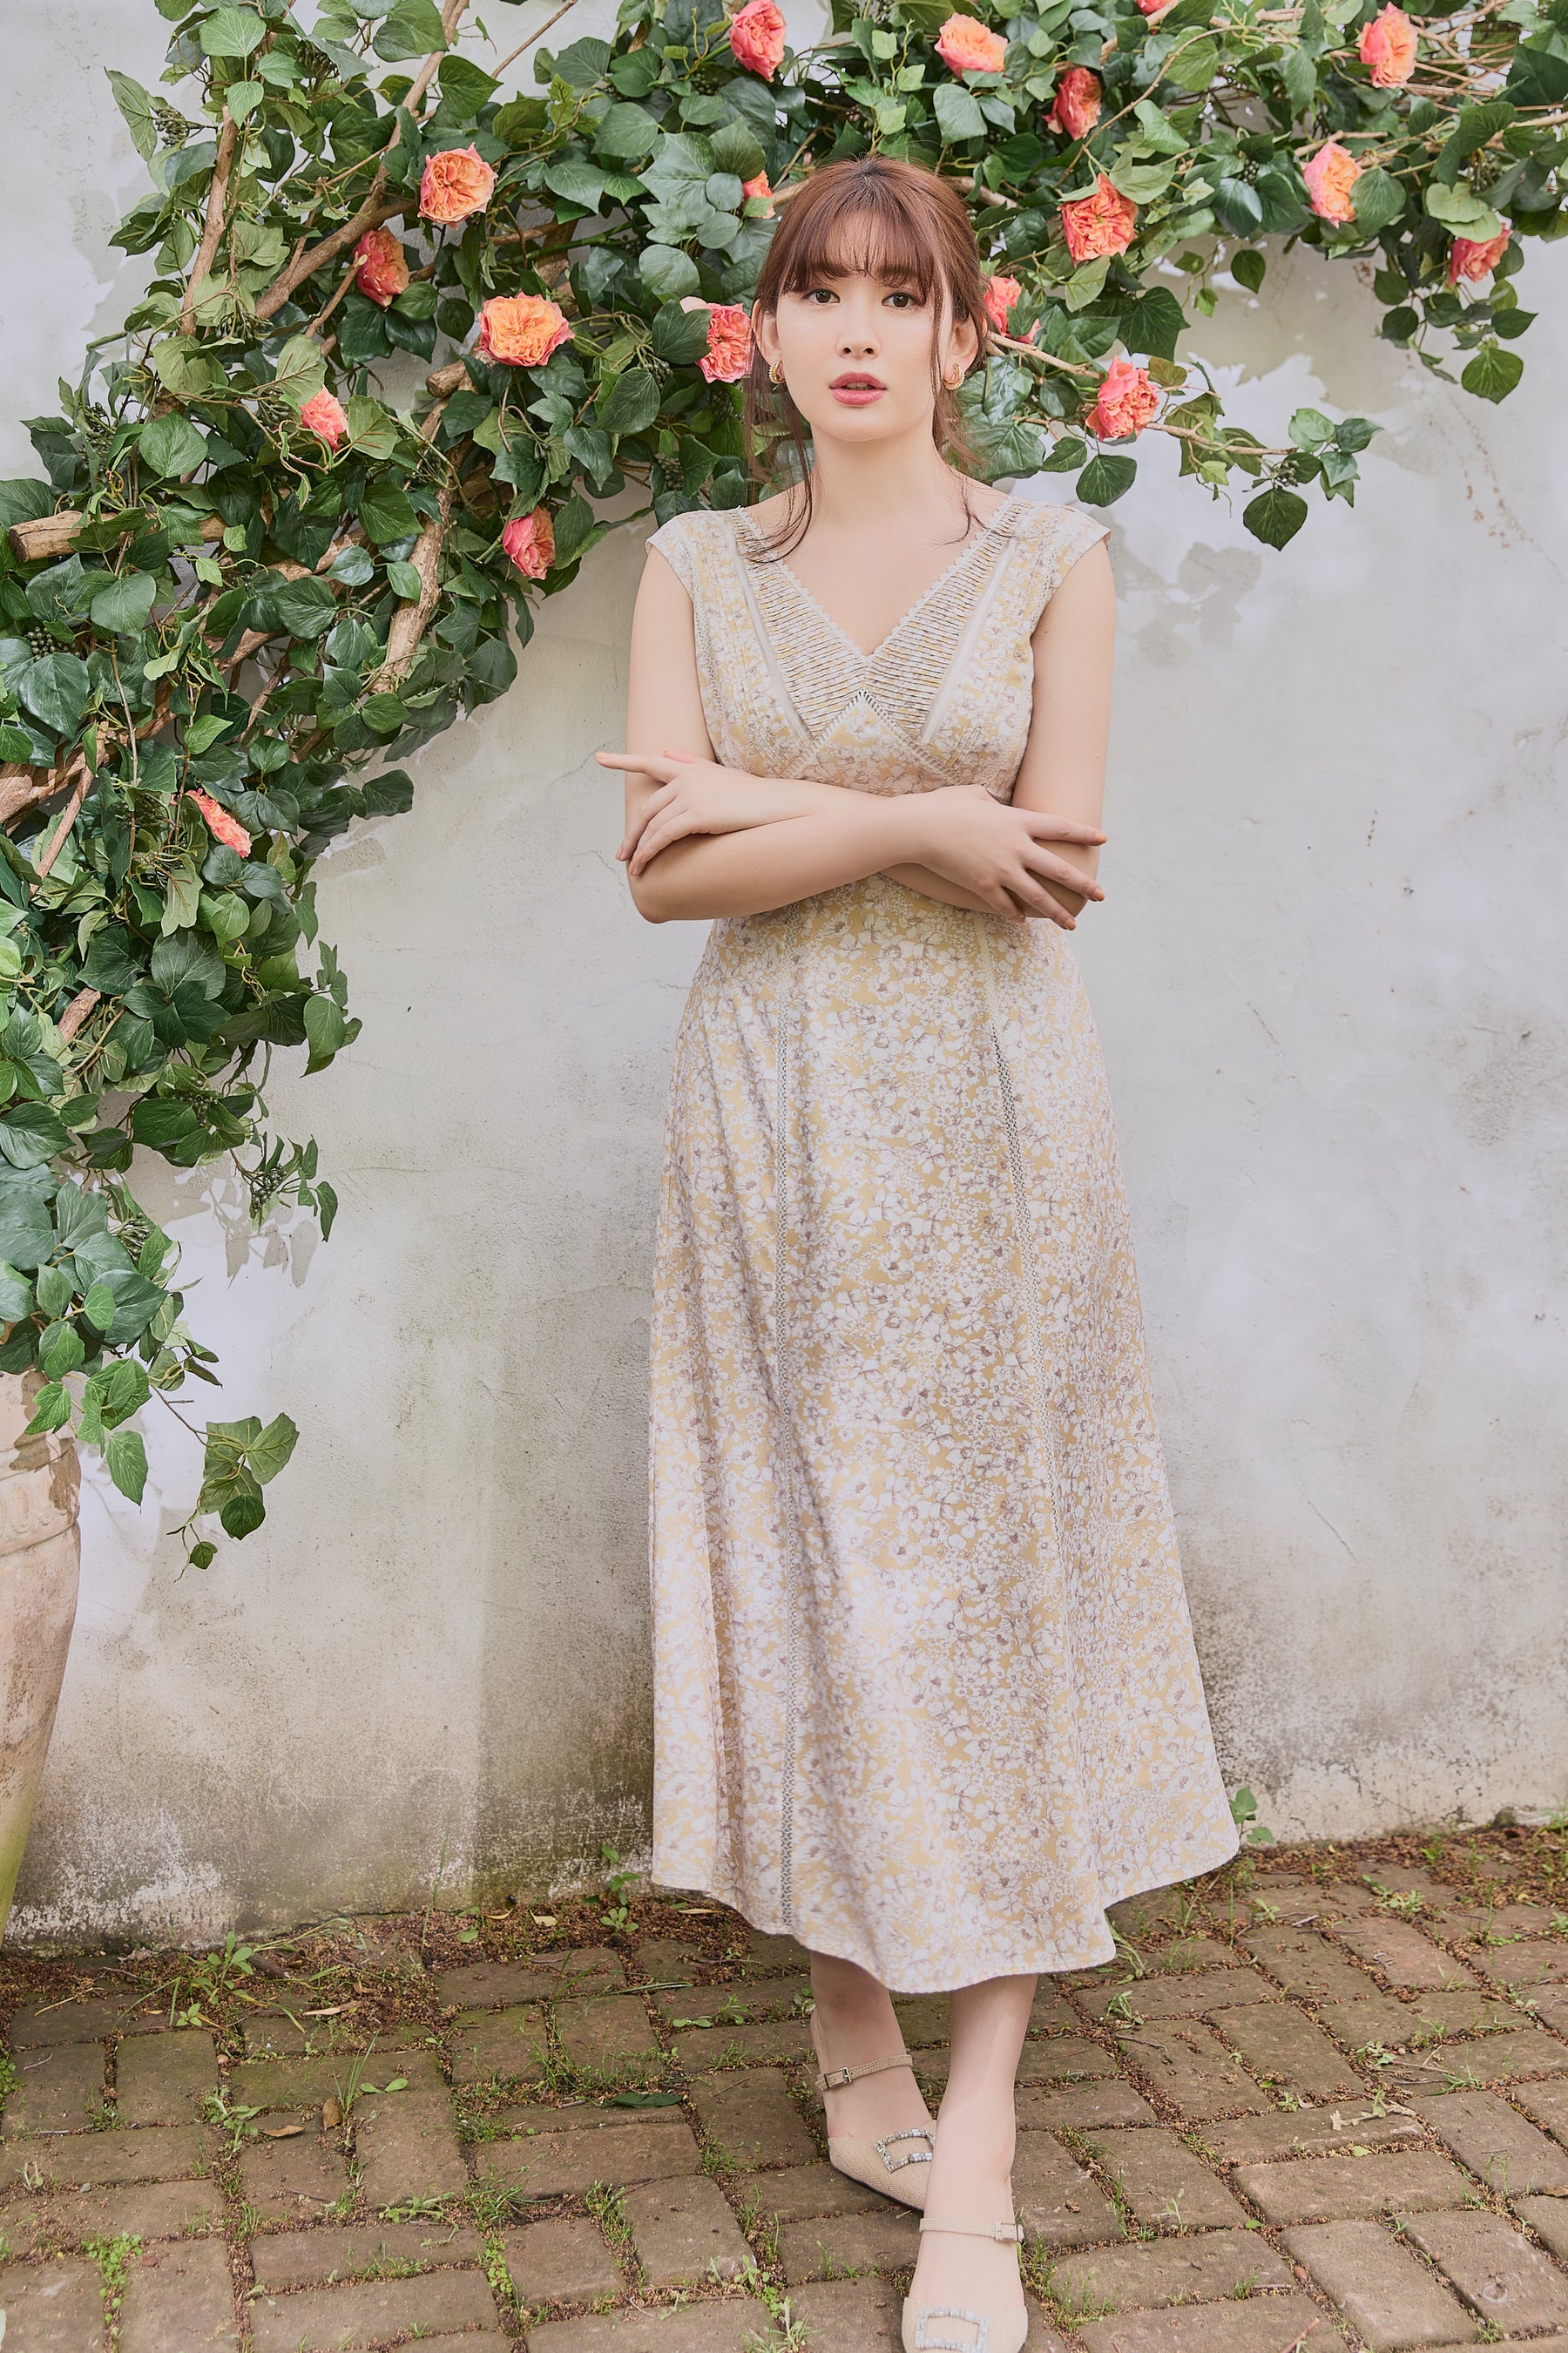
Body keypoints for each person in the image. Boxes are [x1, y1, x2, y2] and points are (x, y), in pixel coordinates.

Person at [597, 153, 1239, 2353]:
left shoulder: (1055, 557)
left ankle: (977, 2158)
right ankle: (849, 2034)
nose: (856, 328)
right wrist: (906, 824)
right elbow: (655, 878)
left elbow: (1049, 871)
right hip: (772, 1122)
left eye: (902, 293)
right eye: (817, 293)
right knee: (815, 1559)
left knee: (987, 1588)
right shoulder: (693, 565)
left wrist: (768, 817)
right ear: (763, 337)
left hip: (987, 1122)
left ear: (969, 332)